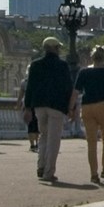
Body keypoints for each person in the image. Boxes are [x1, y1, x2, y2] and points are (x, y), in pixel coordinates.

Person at [24, 39, 75, 183]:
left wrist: (28, 107)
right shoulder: (62, 65)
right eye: (58, 47)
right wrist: (72, 108)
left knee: (43, 136)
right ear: (55, 48)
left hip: (39, 105)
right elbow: (68, 87)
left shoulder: (35, 65)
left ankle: (41, 165)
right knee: (54, 140)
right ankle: (48, 172)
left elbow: (30, 88)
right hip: (56, 106)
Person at [75, 45, 104, 184]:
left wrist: (71, 107)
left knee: (91, 141)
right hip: (103, 106)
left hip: (87, 107)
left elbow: (75, 92)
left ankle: (93, 174)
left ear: (92, 57)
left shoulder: (83, 72)